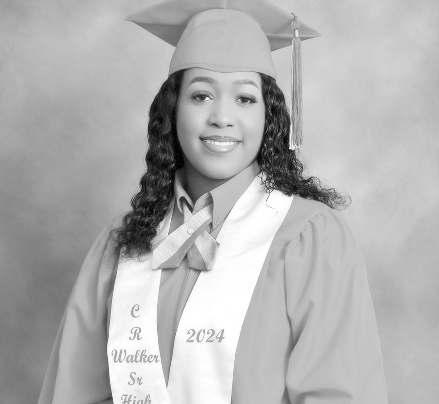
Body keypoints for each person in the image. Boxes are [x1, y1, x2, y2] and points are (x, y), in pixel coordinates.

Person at [38, 1, 389, 403]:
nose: (222, 117)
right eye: (201, 95)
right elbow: (72, 393)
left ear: (269, 117)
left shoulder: (308, 239)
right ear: (172, 111)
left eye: (245, 99)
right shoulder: (123, 245)